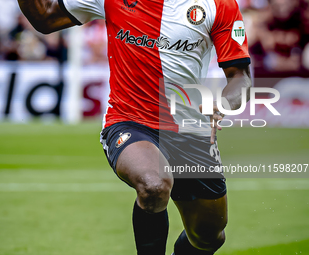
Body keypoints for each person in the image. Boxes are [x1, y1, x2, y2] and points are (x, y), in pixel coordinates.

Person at [17, 0, 252, 254]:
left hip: (191, 130)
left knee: (208, 236)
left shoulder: (219, 5)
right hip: (130, 121)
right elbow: (44, 18)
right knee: (154, 185)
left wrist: (223, 104)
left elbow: (240, 77)